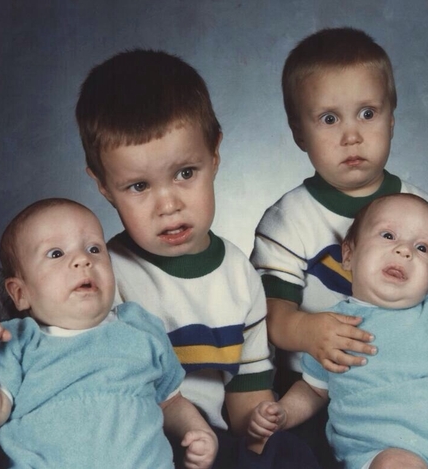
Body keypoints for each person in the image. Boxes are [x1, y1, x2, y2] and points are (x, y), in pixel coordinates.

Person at [75, 50, 319, 469]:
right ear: (103, 186)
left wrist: (260, 423)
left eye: (185, 173)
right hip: (137, 439)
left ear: (214, 155)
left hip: (213, 444)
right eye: (138, 186)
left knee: (289, 454)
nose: (168, 204)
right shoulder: (104, 273)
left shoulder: (239, 276)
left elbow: (248, 389)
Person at [0, 198, 217, 469]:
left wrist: (198, 432)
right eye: (56, 253)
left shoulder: (139, 328)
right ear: (20, 293)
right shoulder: (17, 340)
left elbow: (170, 402)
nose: (82, 260)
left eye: (94, 248)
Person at [249, 193, 428, 469]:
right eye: (388, 235)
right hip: (382, 451)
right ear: (348, 255)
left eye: (422, 248)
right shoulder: (333, 328)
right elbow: (314, 391)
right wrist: (284, 413)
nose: (404, 250)